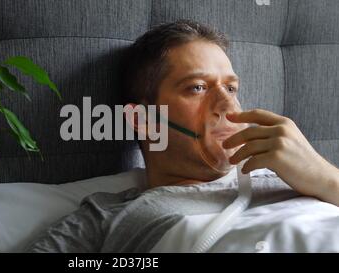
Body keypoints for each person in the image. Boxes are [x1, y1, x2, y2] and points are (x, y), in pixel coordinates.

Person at [27, 20, 339, 253]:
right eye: (198, 88)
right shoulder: (107, 218)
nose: (228, 105)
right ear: (144, 121)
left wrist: (324, 177)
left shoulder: (303, 178)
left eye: (231, 88)